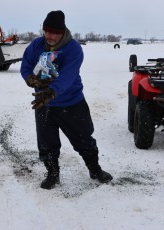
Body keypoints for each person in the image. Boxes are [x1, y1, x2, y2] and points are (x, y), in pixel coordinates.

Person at [20, 10, 113, 189]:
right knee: (46, 144)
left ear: (62, 31)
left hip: (71, 103)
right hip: (43, 104)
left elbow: (67, 77)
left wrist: (51, 92)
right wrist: (30, 78)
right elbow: (26, 65)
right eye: (46, 31)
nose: (49, 36)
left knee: (84, 140)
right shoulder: (36, 45)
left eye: (54, 32)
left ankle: (95, 169)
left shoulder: (73, 49)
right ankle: (53, 174)